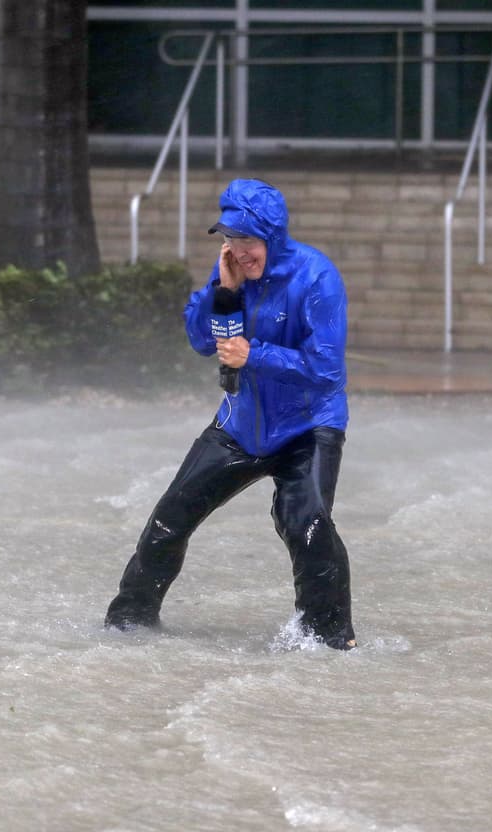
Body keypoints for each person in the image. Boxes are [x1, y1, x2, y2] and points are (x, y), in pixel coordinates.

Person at [104, 178, 356, 649]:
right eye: (229, 239)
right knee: (169, 518)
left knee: (307, 524)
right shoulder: (231, 274)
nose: (238, 250)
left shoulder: (318, 278)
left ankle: (329, 642)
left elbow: (325, 372)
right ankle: (128, 626)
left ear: (273, 237)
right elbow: (204, 342)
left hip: (308, 426)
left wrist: (253, 355)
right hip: (240, 424)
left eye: (247, 239)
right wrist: (222, 291)